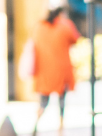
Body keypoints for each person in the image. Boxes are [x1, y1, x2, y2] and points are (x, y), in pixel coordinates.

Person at [31, 7, 80, 136]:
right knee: (62, 103)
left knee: (43, 103)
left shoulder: (39, 27)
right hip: (61, 71)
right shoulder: (64, 26)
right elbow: (75, 39)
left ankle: (35, 125)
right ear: (61, 14)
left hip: (43, 71)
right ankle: (60, 130)